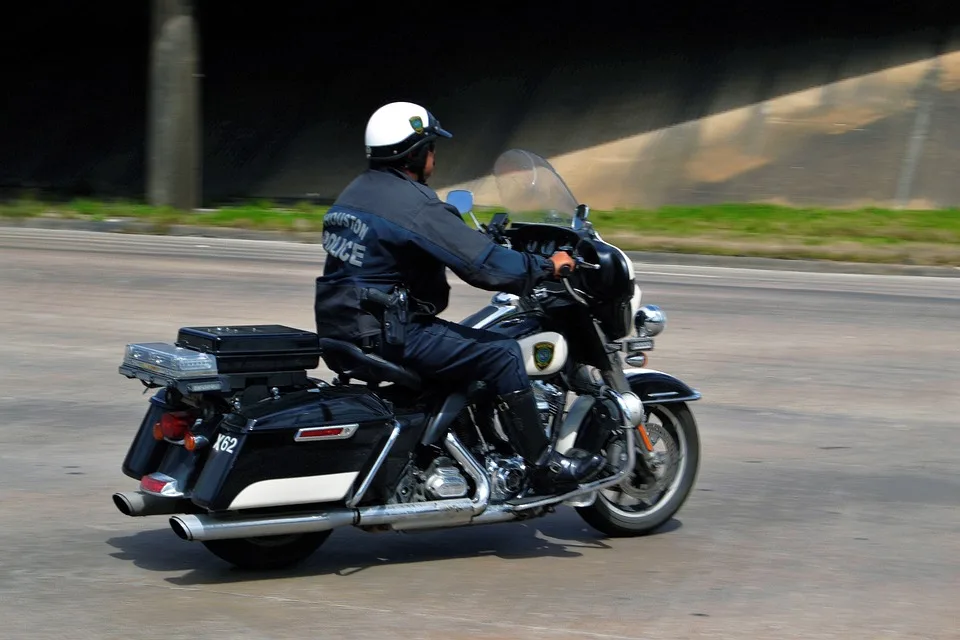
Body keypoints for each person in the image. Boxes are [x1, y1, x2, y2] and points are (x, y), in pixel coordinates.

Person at [314, 101, 603, 491]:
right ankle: (543, 466)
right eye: (431, 147)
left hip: (344, 328)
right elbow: (486, 269)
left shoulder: (355, 193)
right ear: (415, 153)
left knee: (467, 343)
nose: (434, 156)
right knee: (502, 354)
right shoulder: (414, 204)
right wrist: (548, 265)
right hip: (391, 334)